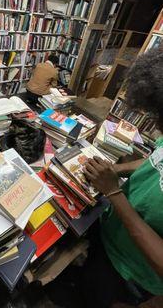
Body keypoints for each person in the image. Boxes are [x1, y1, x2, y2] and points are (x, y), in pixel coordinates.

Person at [47, 50, 163, 308]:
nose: (155, 124)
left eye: (159, 117)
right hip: (111, 229)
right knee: (83, 274)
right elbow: (155, 160)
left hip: (130, 272)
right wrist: (117, 170)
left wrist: (114, 193)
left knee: (94, 296)